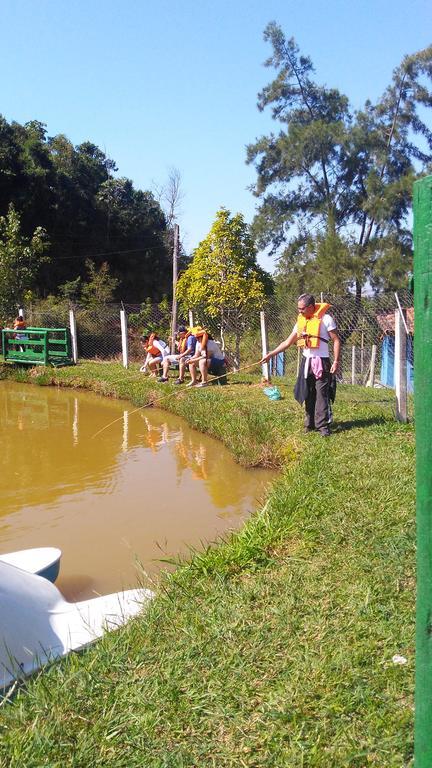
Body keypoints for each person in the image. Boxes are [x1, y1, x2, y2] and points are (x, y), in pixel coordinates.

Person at [260, 294, 341, 437]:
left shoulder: (326, 319)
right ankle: (309, 424)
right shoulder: (300, 322)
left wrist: (336, 361)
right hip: (306, 361)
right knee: (308, 392)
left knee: (321, 393)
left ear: (310, 307)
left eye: (302, 309)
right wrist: (271, 354)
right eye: (298, 309)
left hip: (322, 361)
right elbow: (287, 342)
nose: (299, 311)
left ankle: (323, 426)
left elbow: (336, 340)